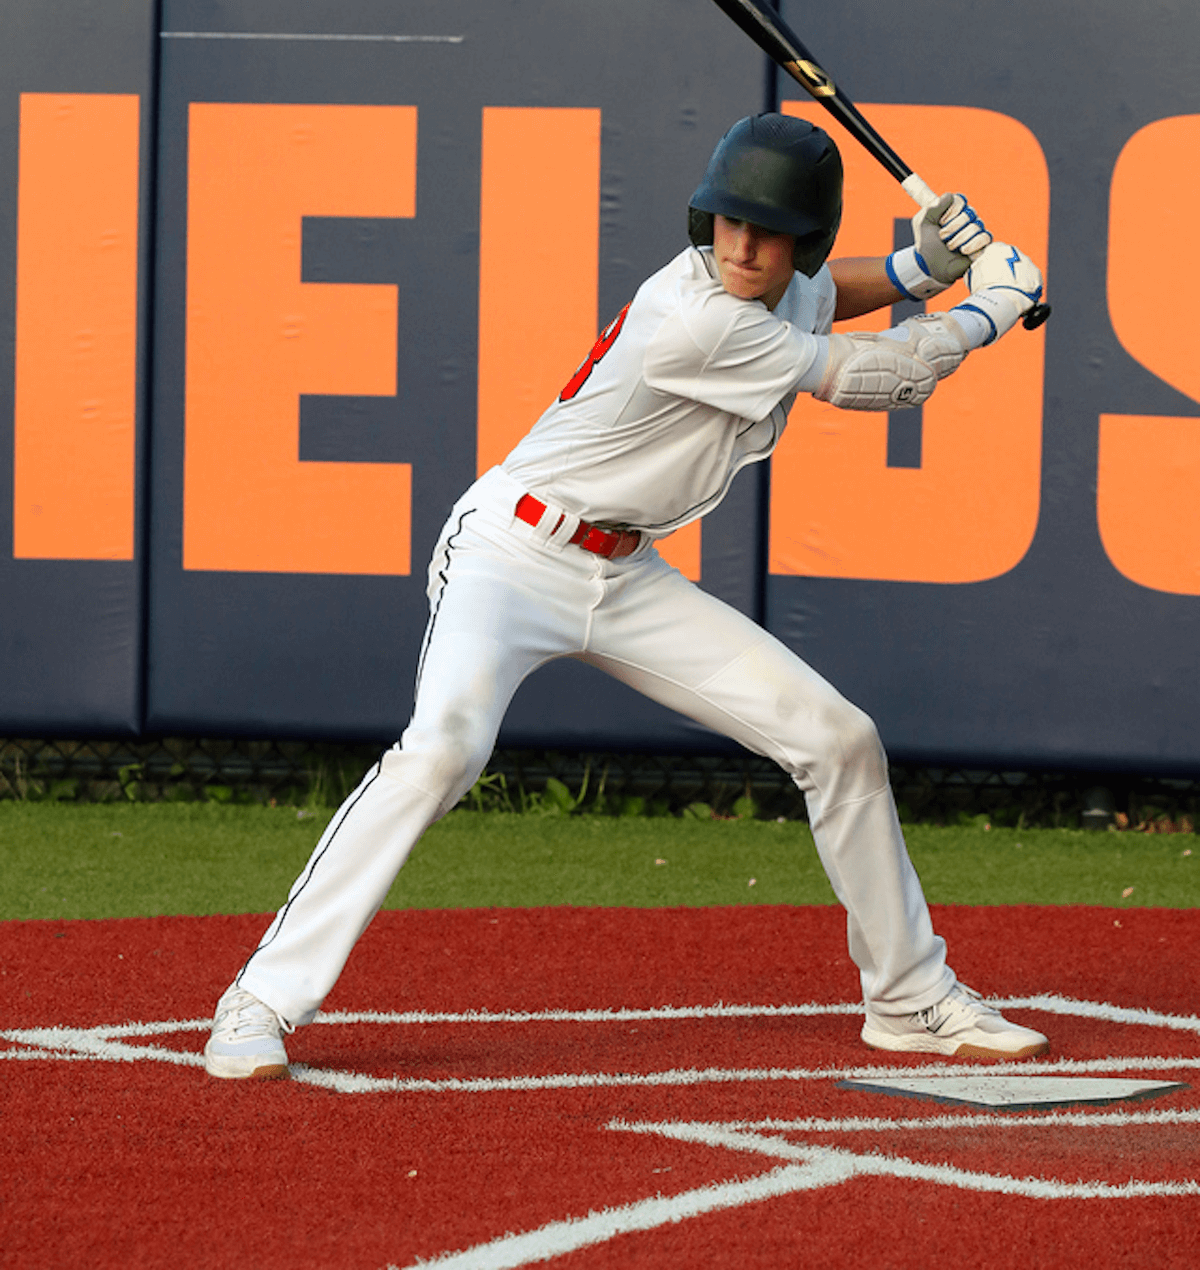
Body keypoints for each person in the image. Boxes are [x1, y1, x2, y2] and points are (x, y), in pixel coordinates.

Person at [204, 111, 1048, 1081]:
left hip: (625, 571)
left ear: (799, 242)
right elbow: (880, 375)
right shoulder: (697, 316)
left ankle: (907, 998)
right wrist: (988, 309)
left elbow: (821, 296)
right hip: (514, 554)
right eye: (730, 221)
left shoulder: (778, 288)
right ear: (707, 220)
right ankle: (259, 999)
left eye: (768, 231)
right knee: (442, 751)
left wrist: (915, 271)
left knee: (838, 739)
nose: (743, 243)